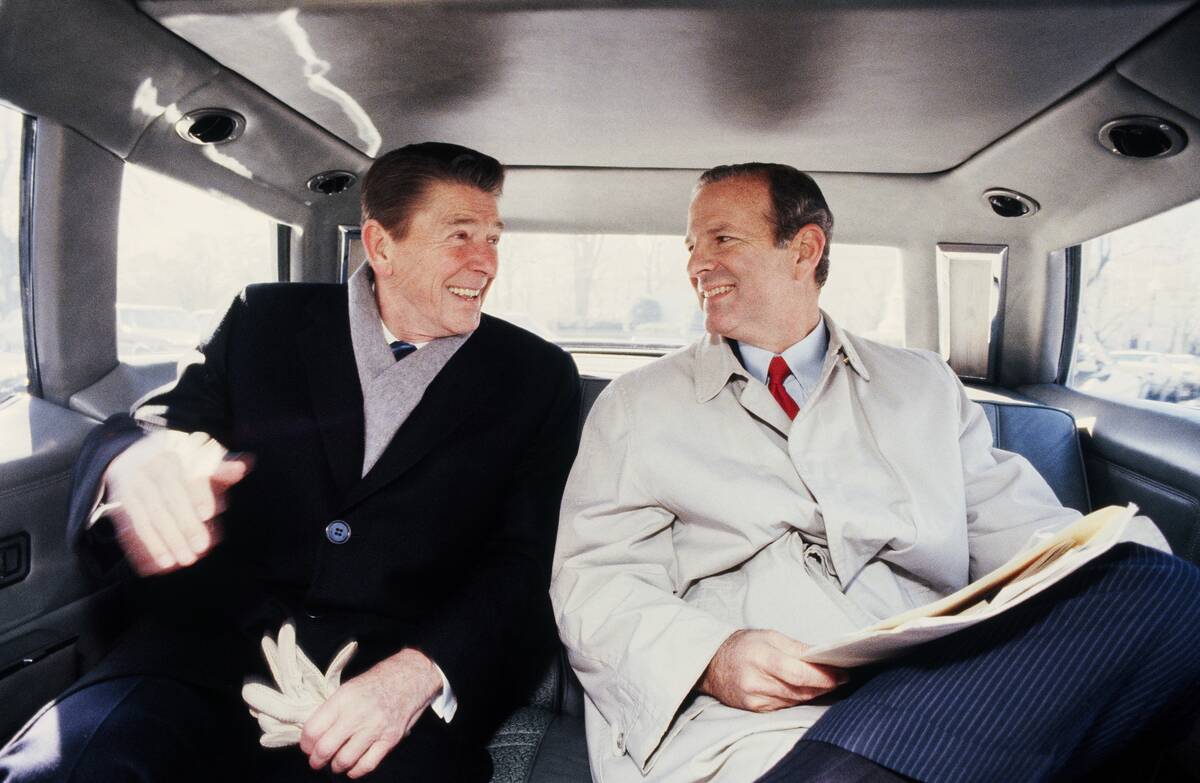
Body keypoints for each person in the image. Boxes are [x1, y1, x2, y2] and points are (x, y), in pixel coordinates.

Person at [550, 162, 1200, 783]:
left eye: (722, 239)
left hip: (941, 689)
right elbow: (595, 582)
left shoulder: (922, 385)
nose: (697, 263)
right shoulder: (637, 405)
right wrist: (714, 658)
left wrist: (1103, 577)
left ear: (804, 249)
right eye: (691, 246)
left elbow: (1025, 533)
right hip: (752, 721)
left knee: (1165, 587)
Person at [0, 142, 581, 782]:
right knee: (60, 768)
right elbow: (160, 428)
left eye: (494, 238)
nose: (486, 262)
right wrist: (134, 463)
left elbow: (524, 562)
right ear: (381, 246)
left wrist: (421, 672)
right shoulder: (262, 319)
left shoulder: (536, 376)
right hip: (206, 653)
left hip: (390, 687)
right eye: (460, 236)